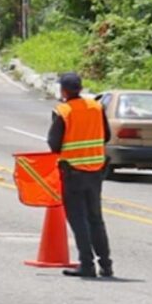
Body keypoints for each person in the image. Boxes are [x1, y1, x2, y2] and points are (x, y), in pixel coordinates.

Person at [47, 72, 113, 279]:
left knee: (78, 220)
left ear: (63, 91)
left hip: (73, 173)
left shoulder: (63, 111)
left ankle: (87, 264)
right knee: (96, 219)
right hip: (95, 173)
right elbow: (107, 136)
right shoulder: (96, 107)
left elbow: (54, 144)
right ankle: (106, 265)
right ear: (81, 89)